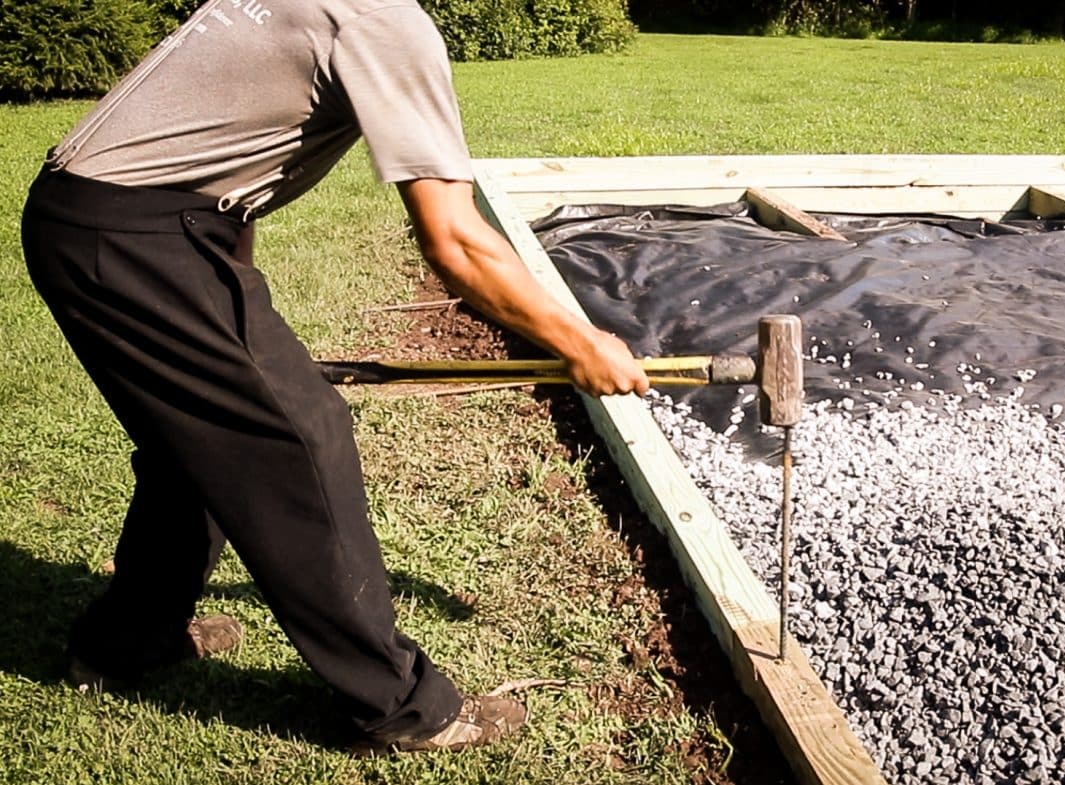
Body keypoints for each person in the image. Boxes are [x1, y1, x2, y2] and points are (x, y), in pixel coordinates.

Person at [20, 0, 649, 754]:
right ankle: (398, 707)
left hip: (95, 219)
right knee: (298, 441)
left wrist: (237, 323)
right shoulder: (385, 23)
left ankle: (125, 641)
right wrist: (576, 339)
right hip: (136, 239)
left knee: (197, 446)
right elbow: (454, 237)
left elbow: (205, 136)